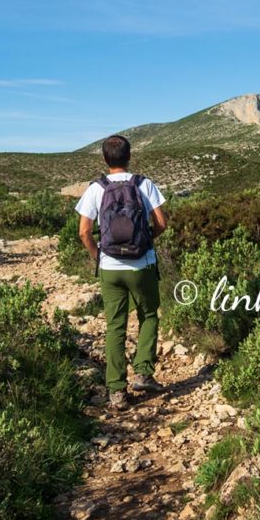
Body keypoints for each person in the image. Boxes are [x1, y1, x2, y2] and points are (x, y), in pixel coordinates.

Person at [75, 135, 168, 411]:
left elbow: (83, 232)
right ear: (129, 157)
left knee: (115, 326)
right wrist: (145, 242)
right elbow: (162, 223)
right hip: (142, 266)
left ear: (105, 159)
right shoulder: (143, 184)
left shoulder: (96, 188)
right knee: (149, 315)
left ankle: (117, 391)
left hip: (110, 268)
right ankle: (143, 373)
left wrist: (99, 255)